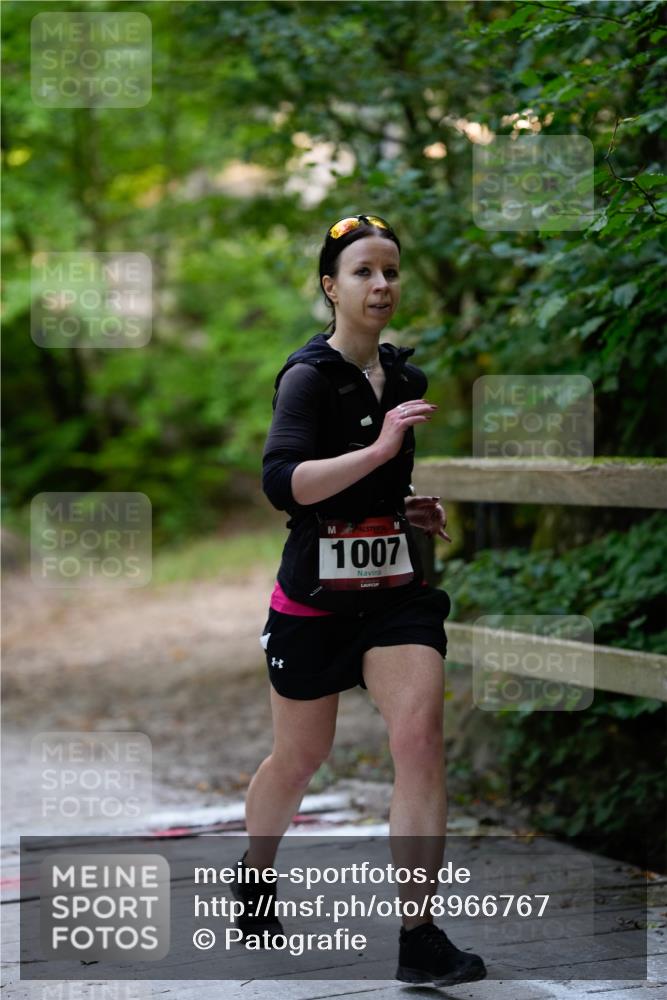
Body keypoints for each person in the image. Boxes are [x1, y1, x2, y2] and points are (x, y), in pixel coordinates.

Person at [231, 214, 486, 987]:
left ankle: (418, 935)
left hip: (394, 595)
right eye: (363, 272)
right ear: (330, 287)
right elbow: (284, 483)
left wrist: (403, 507)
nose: (381, 285)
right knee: (299, 758)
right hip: (314, 599)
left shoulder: (405, 380)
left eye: (390, 272)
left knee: (419, 738)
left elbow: (375, 484)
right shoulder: (307, 378)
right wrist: (377, 451)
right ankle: (255, 871)